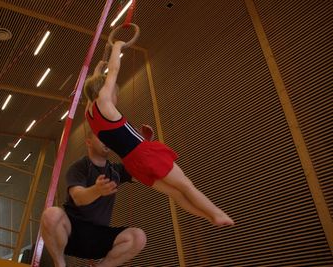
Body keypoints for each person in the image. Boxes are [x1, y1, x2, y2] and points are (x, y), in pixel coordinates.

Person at [83, 40, 235, 227]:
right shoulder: (104, 102)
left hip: (132, 164)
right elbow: (113, 71)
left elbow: (91, 90)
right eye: (113, 92)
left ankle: (210, 218)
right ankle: (216, 213)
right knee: (185, 185)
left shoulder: (89, 114)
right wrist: (117, 47)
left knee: (176, 193)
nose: (114, 96)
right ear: (103, 92)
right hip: (145, 153)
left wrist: (97, 69)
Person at [41, 130, 147, 267]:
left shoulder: (116, 171)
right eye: (101, 137)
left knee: (138, 237)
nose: (106, 140)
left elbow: (142, 174)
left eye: (108, 138)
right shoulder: (79, 167)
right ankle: (59, 264)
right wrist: (97, 190)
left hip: (98, 236)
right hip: (70, 233)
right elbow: (78, 197)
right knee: (51, 214)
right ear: (88, 142)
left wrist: (142, 146)